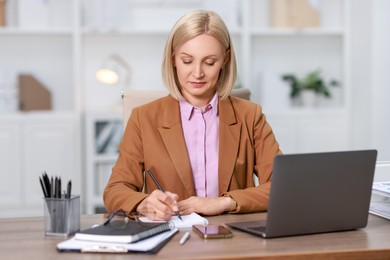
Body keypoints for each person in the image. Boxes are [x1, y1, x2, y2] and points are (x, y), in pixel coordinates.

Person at [103, 10, 282, 221]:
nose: (197, 73)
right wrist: (144, 204)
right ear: (173, 60)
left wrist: (225, 201)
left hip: (233, 238)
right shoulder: (144, 118)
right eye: (187, 61)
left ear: (224, 59)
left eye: (209, 62)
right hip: (172, 241)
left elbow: (283, 186)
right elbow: (115, 190)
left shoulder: (250, 116)